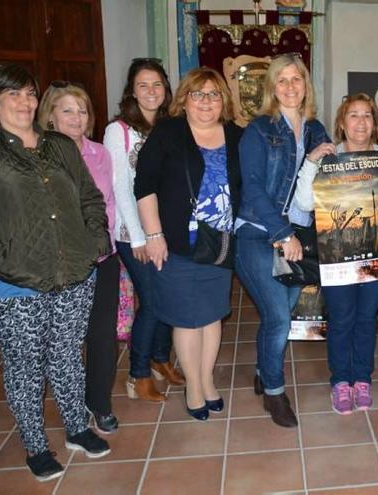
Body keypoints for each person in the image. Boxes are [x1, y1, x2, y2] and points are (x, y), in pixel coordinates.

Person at [0, 64, 111, 481]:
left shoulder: (59, 145)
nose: (24, 103)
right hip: (14, 280)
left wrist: (96, 244)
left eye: (28, 94)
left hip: (75, 270)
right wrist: (0, 257)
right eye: (13, 95)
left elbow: (90, 198)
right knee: (24, 363)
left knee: (66, 355)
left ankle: (77, 427)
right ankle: (36, 446)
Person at [134, 67, 243, 421]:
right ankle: (193, 386)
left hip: (222, 244)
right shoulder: (168, 132)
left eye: (213, 94)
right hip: (178, 243)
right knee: (187, 319)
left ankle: (207, 379)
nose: (206, 102)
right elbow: (145, 186)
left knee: (212, 316)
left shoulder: (236, 135)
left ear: (223, 100)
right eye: (198, 94)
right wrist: (153, 235)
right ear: (184, 100)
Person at [293, 93, 378, 414]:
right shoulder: (328, 157)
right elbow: (304, 204)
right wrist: (310, 162)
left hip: (375, 252)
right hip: (337, 255)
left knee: (365, 318)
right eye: (353, 116)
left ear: (374, 123)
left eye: (366, 116)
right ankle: (340, 382)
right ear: (342, 124)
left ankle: (362, 379)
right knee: (342, 318)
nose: (361, 122)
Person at [236, 54, 331, 427]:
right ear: (271, 88)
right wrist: (283, 233)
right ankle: (274, 393)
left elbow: (325, 180)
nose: (291, 87)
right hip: (258, 233)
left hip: (300, 235)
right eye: (282, 80)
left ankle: (263, 369)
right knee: (277, 316)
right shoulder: (257, 130)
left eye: (297, 79)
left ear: (306, 84)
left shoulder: (316, 129)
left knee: (282, 312)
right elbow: (255, 189)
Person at [37, 81, 120, 434]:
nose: (76, 117)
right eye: (67, 110)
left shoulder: (100, 153)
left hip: (103, 257)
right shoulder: (38, 154)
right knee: (65, 339)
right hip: (61, 263)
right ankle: (69, 407)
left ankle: (99, 402)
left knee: (103, 335)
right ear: (50, 116)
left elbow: (110, 203)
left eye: (82, 110)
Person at [104, 58, 183, 403]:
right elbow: (121, 188)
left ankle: (159, 358)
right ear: (132, 91)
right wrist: (139, 237)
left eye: (157, 85)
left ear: (166, 90)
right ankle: (137, 375)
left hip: (166, 230)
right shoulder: (118, 130)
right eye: (143, 85)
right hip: (131, 233)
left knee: (167, 296)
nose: (151, 92)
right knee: (152, 300)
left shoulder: (172, 127)